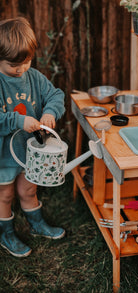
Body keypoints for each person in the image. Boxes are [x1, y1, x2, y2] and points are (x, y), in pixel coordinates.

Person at [0, 17, 66, 257]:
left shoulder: (34, 78)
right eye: (12, 65)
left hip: (30, 151)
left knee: (28, 190)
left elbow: (56, 95)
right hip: (3, 154)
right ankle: (6, 233)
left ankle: (37, 225)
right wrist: (19, 120)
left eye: (26, 62)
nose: (20, 70)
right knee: (5, 194)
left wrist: (50, 111)